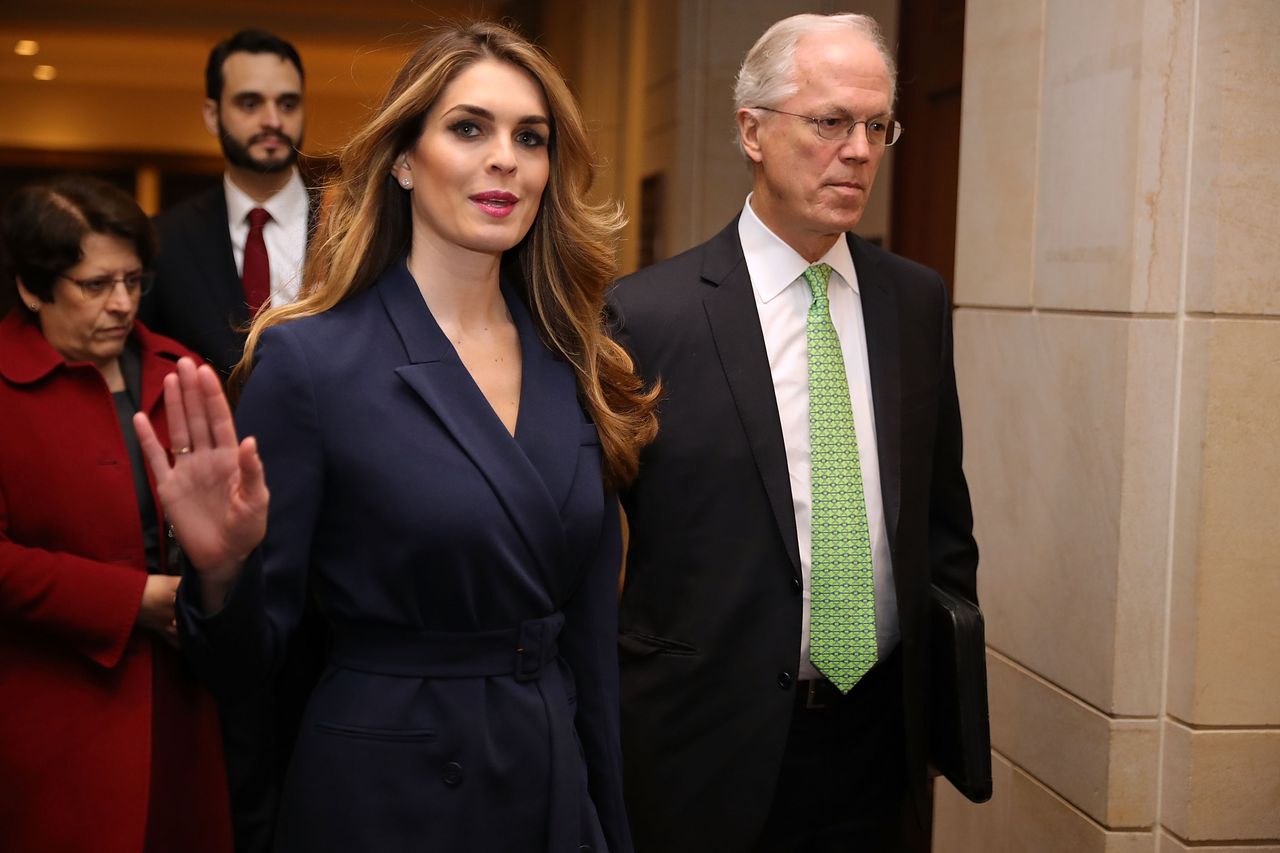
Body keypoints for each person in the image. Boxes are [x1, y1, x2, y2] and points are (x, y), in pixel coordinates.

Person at [134, 20, 657, 853]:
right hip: (384, 796)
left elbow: (590, 642)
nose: (505, 159)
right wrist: (221, 571)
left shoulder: (578, 359)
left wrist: (607, 825)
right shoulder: (311, 361)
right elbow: (245, 671)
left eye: (531, 137)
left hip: (549, 787)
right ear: (405, 161)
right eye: (468, 127)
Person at [608, 12, 979, 852]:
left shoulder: (915, 302)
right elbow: (596, 543)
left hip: (879, 746)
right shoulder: (648, 315)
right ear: (752, 130)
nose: (858, 151)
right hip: (706, 752)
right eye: (828, 122)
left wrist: (935, 716)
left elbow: (943, 527)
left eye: (876, 125)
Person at [0, 175, 232, 853]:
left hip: (183, 706)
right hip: (52, 716)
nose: (122, 303)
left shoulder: (181, 372)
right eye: (96, 284)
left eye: (135, 280)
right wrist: (131, 599)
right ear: (32, 288)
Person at [140, 28, 315, 376]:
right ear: (211, 114)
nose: (273, 121)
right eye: (250, 104)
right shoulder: (163, 240)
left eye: (288, 104)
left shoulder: (355, 223)